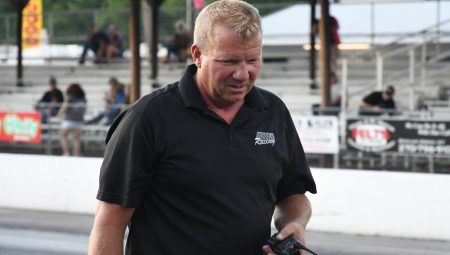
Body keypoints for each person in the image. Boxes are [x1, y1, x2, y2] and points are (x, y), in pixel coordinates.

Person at [88, 1, 317, 255]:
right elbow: (109, 221)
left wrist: (295, 223)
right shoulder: (148, 118)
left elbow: (293, 195)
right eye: (229, 61)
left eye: (252, 59)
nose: (242, 74)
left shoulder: (273, 112)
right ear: (197, 55)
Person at [58, 83, 87, 156]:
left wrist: (59, 114)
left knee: (63, 136)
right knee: (76, 139)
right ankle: (77, 154)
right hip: (79, 120)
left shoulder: (70, 98)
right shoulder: (83, 99)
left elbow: (64, 108)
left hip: (69, 120)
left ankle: (66, 153)